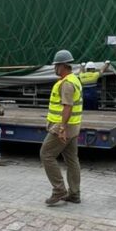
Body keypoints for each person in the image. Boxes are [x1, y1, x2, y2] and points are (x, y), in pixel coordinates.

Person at [40, 49, 83, 206]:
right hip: (73, 127)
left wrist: (61, 127)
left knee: (46, 154)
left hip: (63, 128)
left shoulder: (66, 84)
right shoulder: (75, 79)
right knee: (72, 159)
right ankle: (74, 194)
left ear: (63, 65)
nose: (54, 68)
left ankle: (59, 190)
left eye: (56, 65)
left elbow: (67, 107)